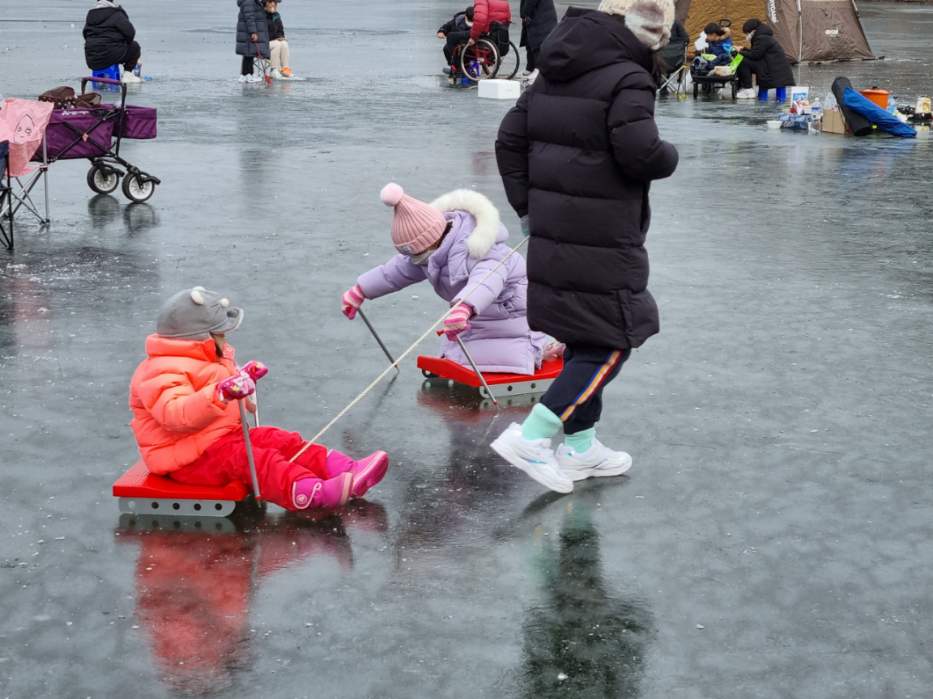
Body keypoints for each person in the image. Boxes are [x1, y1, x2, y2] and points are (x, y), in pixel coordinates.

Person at [492, 0, 679, 493]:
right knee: (614, 339)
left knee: (583, 334)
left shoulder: (555, 66)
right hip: (602, 232)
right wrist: (670, 156)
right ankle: (533, 437)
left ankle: (580, 447)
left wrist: (529, 208)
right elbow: (641, 153)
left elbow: (509, 138)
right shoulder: (628, 77)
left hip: (557, 230)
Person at [129, 286, 390, 511]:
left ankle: (345, 469)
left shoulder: (205, 358)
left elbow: (217, 392)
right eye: (220, 335)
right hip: (188, 460)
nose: (225, 339)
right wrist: (223, 392)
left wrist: (243, 380)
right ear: (200, 338)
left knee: (278, 440)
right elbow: (176, 414)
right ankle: (306, 492)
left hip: (217, 440)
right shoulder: (160, 371)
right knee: (254, 460)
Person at [341, 184, 559, 376]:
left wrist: (465, 306)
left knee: (497, 355)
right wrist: (362, 290)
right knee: (456, 352)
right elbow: (396, 271)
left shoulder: (482, 248)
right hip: (476, 319)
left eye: (418, 254)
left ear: (434, 240)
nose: (416, 260)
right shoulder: (428, 254)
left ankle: (541, 347)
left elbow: (486, 281)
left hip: (512, 317)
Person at [83, 0, 142, 84]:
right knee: (135, 47)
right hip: (110, 55)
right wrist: (123, 43)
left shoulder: (91, 15)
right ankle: (127, 74)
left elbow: (85, 34)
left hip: (92, 59)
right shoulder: (116, 14)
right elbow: (130, 33)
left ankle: (101, 77)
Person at [735, 19, 794, 99]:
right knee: (742, 58)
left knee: (742, 60)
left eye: (747, 33)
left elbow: (755, 55)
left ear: (753, 31)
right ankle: (745, 87)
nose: (747, 35)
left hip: (772, 70)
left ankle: (747, 89)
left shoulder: (762, 38)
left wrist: (740, 52)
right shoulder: (762, 36)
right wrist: (743, 49)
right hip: (772, 67)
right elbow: (757, 52)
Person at [519, 0, 557, 75]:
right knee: (530, 43)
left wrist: (524, 13)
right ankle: (530, 68)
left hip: (540, 19)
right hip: (541, 18)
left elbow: (529, 5)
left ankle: (537, 69)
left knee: (536, 44)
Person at [236, 0, 270, 83]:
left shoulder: (253, 2)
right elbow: (249, 17)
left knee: (248, 54)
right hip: (248, 33)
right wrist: (253, 32)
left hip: (247, 32)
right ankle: (248, 75)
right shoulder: (249, 2)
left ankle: (245, 75)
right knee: (248, 54)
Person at [437, 6, 475, 71]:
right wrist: (441, 31)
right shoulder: (458, 20)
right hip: (458, 44)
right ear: (465, 16)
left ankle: (465, 67)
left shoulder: (479, 22)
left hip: (471, 44)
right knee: (446, 48)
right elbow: (447, 26)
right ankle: (453, 65)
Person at [264, 0, 292, 79]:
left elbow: (280, 30)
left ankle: (285, 69)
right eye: (271, 2)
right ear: (265, 3)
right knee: (277, 44)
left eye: (275, 3)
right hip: (262, 43)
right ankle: (273, 69)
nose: (274, 5)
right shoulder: (261, 16)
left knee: (284, 44)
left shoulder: (276, 15)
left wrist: (281, 37)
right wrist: (277, 37)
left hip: (273, 41)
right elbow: (264, 32)